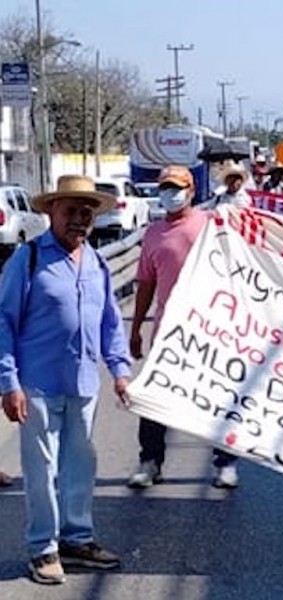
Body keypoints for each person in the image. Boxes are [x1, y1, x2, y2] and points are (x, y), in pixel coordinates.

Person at [0, 175, 131, 585]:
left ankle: (77, 539)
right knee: (41, 469)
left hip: (84, 384)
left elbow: (110, 322)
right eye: (70, 211)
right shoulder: (29, 258)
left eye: (86, 212)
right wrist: (9, 382)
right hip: (37, 383)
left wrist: (121, 372)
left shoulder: (97, 261)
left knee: (80, 467)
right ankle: (43, 549)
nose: (79, 219)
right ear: (51, 213)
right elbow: (3, 321)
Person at [128, 166, 240, 490]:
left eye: (177, 187)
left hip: (209, 330)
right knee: (153, 399)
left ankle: (226, 463)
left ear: (191, 191)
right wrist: (135, 328)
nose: (170, 193)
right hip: (167, 332)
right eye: (165, 187)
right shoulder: (153, 233)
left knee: (218, 396)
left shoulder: (210, 225)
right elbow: (146, 284)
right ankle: (150, 462)